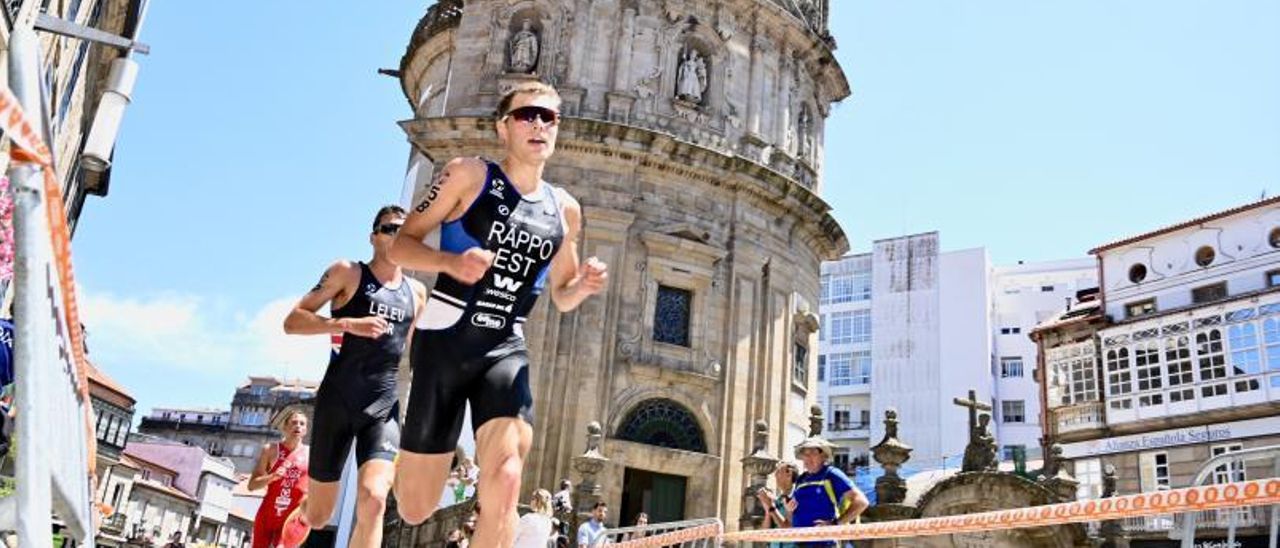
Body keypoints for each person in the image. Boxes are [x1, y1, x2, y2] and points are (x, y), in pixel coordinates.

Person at [390, 80, 609, 548]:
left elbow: (563, 294)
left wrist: (584, 284)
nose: (538, 124)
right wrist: (451, 262)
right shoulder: (468, 175)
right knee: (415, 505)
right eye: (527, 114)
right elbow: (401, 244)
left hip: (505, 347)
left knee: (509, 477)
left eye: (548, 117)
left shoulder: (564, 209)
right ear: (502, 128)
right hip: (446, 340)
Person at [277, 205, 426, 548]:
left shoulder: (416, 293)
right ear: (373, 237)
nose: (396, 234)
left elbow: (418, 353)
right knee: (319, 516)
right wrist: (345, 323)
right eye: (389, 228)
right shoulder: (347, 273)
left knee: (374, 499)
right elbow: (293, 321)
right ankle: (303, 513)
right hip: (338, 400)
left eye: (403, 230)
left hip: (383, 404)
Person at [791, 438, 870, 548]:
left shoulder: (831, 474)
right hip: (798, 542)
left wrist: (836, 524)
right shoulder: (801, 479)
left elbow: (862, 502)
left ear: (824, 456)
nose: (808, 457)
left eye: (814, 452)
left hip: (824, 543)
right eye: (805, 453)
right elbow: (793, 513)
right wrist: (789, 509)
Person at [248, 410, 310, 548]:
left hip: (291, 518)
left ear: (305, 430)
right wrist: (272, 477)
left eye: (302, 424)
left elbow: (316, 489)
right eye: (294, 422)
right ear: (285, 427)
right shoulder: (270, 449)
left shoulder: (311, 455)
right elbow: (252, 485)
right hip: (267, 514)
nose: (298, 426)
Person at [757, 460, 800, 548]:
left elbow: (788, 529)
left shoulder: (798, 498)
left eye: (778, 472)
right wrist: (767, 510)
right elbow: (765, 533)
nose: (775, 475)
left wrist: (771, 506)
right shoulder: (777, 500)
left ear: (789, 474)